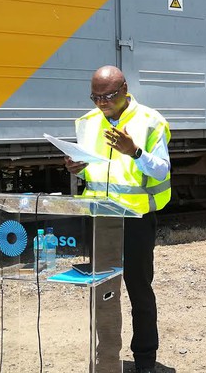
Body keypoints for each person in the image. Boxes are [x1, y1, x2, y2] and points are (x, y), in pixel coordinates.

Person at [65, 65, 171, 373]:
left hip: (136, 218)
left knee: (139, 288)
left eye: (108, 95)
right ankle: (107, 360)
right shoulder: (88, 123)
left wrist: (134, 152)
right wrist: (77, 168)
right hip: (100, 217)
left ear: (124, 88)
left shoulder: (150, 121)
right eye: (95, 97)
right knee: (104, 290)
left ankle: (145, 360)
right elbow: (94, 169)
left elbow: (162, 170)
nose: (101, 103)